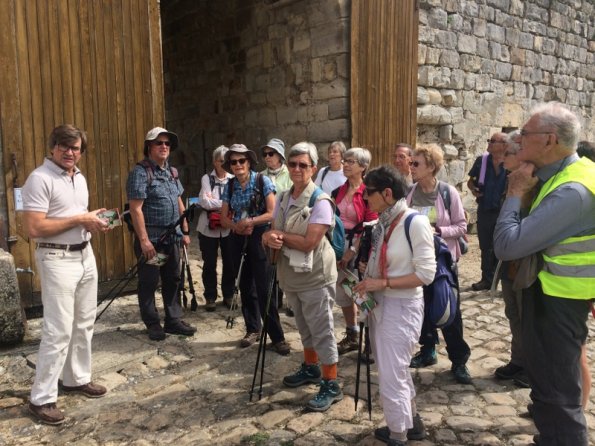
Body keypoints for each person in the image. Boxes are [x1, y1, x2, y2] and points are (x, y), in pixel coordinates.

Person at [494, 102, 595, 446]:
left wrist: (514, 193)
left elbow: (508, 245)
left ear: (550, 139)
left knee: (558, 399)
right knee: (548, 389)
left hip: (557, 300)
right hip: (551, 295)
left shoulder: (572, 190)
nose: (518, 140)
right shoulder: (564, 176)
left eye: (525, 133)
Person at [23, 124, 109, 425]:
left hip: (85, 255)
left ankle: (76, 378)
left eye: (76, 148)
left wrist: (92, 223)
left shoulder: (79, 177)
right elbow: (34, 228)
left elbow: (75, 220)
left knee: (84, 322)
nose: (70, 152)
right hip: (56, 258)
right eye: (65, 146)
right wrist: (80, 218)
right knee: (58, 330)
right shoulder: (39, 178)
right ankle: (41, 399)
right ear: (53, 147)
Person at [353, 165, 436, 446]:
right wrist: (369, 272)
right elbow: (385, 261)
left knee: (391, 374)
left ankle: (398, 433)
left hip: (401, 307)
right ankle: (411, 423)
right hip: (381, 304)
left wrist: (383, 283)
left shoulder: (414, 222)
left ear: (387, 194)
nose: (365, 199)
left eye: (369, 193)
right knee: (393, 370)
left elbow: (425, 274)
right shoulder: (384, 223)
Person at [263, 142, 341, 411]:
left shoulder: (320, 201)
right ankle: (311, 367)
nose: (297, 169)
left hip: (315, 276)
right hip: (291, 275)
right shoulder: (283, 197)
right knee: (305, 327)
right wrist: (267, 237)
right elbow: (274, 229)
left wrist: (279, 237)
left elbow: (310, 242)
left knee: (322, 329)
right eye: (293, 163)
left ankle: (331, 383)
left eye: (303, 165)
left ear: (313, 169)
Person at [407, 144, 471, 384]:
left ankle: (459, 360)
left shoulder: (447, 192)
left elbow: (462, 226)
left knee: (449, 310)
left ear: (431, 167)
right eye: (411, 163)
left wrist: (438, 230)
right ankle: (428, 350)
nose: (411, 167)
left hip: (443, 262)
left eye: (416, 164)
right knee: (422, 308)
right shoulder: (410, 193)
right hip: (418, 262)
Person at [126, 127, 197, 341]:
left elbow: (179, 201)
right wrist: (144, 240)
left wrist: (184, 231)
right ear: (149, 146)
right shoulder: (140, 173)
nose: (164, 147)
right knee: (149, 281)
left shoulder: (171, 172)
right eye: (159, 143)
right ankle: (152, 322)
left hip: (172, 238)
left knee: (173, 278)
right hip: (154, 241)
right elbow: (136, 209)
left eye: (167, 143)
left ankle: (173, 319)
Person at [220, 144, 290, 355]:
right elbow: (224, 217)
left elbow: (271, 213)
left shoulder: (262, 181)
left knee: (264, 286)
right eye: (234, 162)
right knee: (245, 284)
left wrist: (250, 221)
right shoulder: (230, 186)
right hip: (237, 236)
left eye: (242, 161)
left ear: (249, 162)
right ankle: (253, 329)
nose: (238, 165)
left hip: (259, 236)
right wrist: (237, 227)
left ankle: (277, 336)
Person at [493, 131, 530, 388]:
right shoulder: (511, 181)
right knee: (513, 313)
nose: (502, 157)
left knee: (528, 317)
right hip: (510, 262)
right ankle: (519, 360)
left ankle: (532, 367)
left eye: (508, 153)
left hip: (526, 262)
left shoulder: (532, 185)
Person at [333, 148, 378, 355]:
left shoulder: (368, 193)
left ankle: (370, 339)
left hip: (360, 248)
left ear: (362, 167)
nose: (345, 165)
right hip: (339, 244)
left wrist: (351, 251)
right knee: (343, 289)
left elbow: (369, 226)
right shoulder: (340, 190)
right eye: (345, 161)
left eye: (351, 161)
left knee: (361, 291)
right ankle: (352, 334)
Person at [467, 133, 507, 291]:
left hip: (504, 212)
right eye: (489, 140)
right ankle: (487, 279)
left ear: (504, 144)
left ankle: (501, 280)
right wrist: (473, 190)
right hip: (484, 209)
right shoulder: (482, 161)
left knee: (502, 246)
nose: (489, 143)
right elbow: (470, 181)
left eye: (493, 141)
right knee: (485, 245)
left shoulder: (512, 162)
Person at [197, 145, 235, 311]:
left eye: (227, 161)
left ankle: (228, 294)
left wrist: (217, 203)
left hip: (228, 228)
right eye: (221, 161)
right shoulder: (207, 179)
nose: (224, 164)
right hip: (207, 227)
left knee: (230, 262)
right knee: (209, 263)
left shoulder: (233, 179)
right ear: (214, 162)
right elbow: (204, 202)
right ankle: (210, 296)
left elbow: (237, 202)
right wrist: (226, 204)